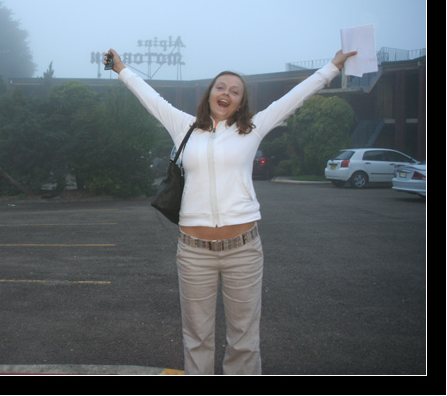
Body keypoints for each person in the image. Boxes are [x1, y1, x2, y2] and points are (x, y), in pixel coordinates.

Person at [104, 47, 356, 375]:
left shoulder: (252, 129)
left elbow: (295, 97)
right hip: (194, 253)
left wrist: (333, 67)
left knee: (244, 341)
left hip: (243, 251)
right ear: (210, 94)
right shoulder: (185, 127)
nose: (226, 93)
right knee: (196, 338)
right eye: (221, 87)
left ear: (241, 102)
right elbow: (149, 97)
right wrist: (122, 69)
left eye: (235, 91)